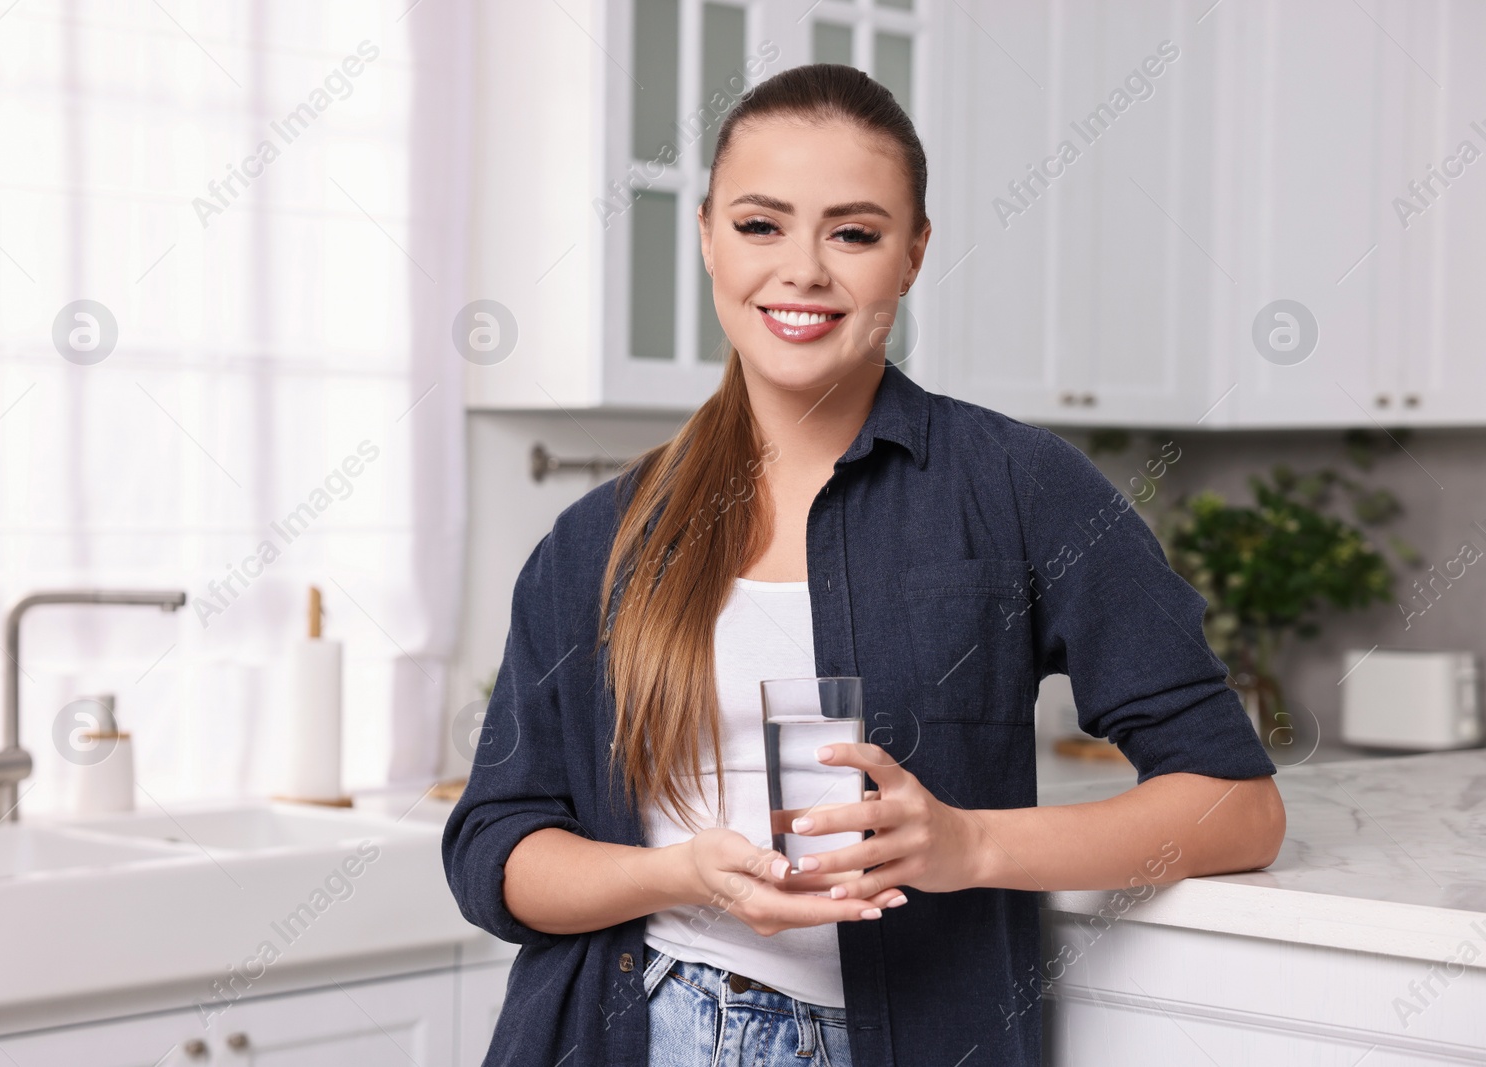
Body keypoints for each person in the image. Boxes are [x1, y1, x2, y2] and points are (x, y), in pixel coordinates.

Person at [441, 63, 1285, 1067]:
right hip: (633, 1030)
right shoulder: (596, 540)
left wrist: (970, 845)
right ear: (707, 234)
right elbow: (494, 848)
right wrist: (681, 873)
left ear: (912, 253)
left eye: (853, 232)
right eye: (760, 225)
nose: (802, 269)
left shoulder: (1022, 488)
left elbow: (1238, 806)